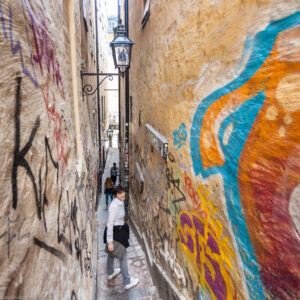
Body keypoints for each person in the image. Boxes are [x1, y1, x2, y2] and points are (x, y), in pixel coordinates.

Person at [105, 185, 138, 289]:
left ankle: (110, 272)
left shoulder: (120, 201)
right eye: (120, 193)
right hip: (116, 232)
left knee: (111, 253)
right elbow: (110, 224)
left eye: (123, 191)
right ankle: (128, 282)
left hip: (119, 230)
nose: (123, 194)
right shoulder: (114, 206)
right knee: (123, 255)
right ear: (115, 195)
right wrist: (109, 241)